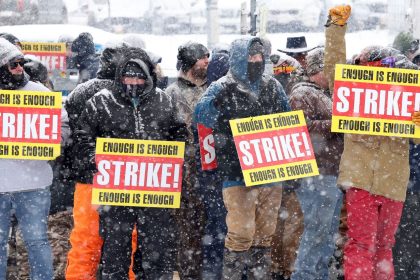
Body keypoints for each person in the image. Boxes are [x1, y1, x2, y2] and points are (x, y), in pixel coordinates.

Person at [73, 46, 187, 280]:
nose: (133, 81)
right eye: (128, 75)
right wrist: (93, 156)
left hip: (154, 191)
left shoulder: (163, 101)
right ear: (118, 76)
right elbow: (82, 135)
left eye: (139, 76)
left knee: (155, 252)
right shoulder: (101, 102)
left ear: (148, 77)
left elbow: (180, 133)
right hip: (116, 193)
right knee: (115, 253)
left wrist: (176, 158)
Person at [324, 5, 420, 280]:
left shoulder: (406, 96)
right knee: (363, 244)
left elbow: (416, 135)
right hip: (361, 181)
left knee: (382, 246)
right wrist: (335, 28)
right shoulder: (352, 90)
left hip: (393, 182)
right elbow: (333, 68)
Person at [194, 37, 290, 279]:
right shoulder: (220, 87)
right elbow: (201, 119)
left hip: (270, 171)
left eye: (259, 57)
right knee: (240, 234)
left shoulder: (272, 86)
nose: (255, 61)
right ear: (239, 58)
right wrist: (216, 105)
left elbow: (288, 120)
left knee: (265, 234)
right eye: (250, 57)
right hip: (236, 174)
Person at [65, 43, 139, 280]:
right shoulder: (127, 93)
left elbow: (74, 137)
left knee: (85, 241)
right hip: (121, 176)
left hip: (88, 177)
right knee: (127, 240)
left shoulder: (80, 92)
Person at [0, 37, 70, 280]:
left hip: (33, 184)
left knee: (37, 241)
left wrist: (54, 141)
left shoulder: (40, 93)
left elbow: (63, 126)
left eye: (21, 63)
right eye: (13, 65)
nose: (20, 68)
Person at [288, 47, 344, 280]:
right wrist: (335, 123)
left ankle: (319, 275)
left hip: (332, 172)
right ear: (316, 70)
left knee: (327, 233)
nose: (332, 74)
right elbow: (301, 128)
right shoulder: (302, 94)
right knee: (316, 232)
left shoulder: (326, 92)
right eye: (328, 69)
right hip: (316, 173)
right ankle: (304, 276)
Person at [166, 41, 209, 279]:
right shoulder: (171, 94)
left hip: (209, 174)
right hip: (183, 176)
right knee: (184, 233)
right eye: (203, 57)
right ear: (191, 62)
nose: (207, 61)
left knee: (204, 231)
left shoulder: (210, 91)